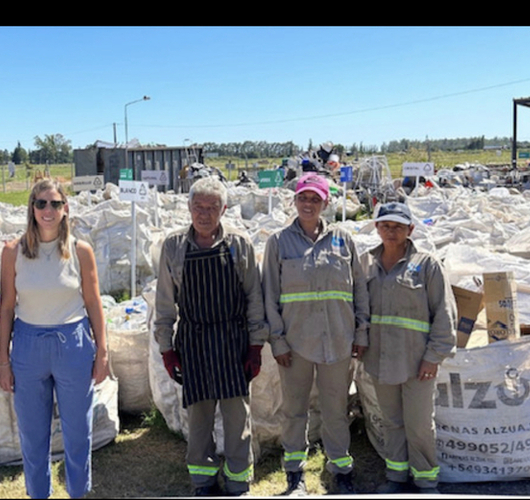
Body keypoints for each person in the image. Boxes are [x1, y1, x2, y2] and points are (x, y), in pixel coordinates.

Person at [154, 176, 268, 497]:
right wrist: (167, 349)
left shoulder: (239, 245)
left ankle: (237, 482)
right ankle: (204, 482)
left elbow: (254, 298)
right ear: (188, 207)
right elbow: (164, 304)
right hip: (194, 344)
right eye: (198, 207)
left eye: (212, 207)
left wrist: (256, 346)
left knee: (236, 421)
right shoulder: (174, 247)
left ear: (224, 209)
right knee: (199, 421)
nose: (204, 214)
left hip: (233, 343)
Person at [0, 179, 109, 499]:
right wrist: (3, 361)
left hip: (72, 344)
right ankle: (38, 494)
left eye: (55, 204)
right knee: (33, 437)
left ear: (65, 209)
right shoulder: (12, 252)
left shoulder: (79, 250)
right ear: (31, 208)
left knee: (77, 434)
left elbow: (93, 302)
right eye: (41, 203)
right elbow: (6, 308)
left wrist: (102, 351)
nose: (48, 210)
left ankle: (78, 492)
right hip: (28, 346)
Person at [261, 173, 369, 496]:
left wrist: (361, 331)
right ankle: (295, 473)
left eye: (315, 199)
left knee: (336, 409)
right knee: (294, 410)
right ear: (295, 201)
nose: (308, 204)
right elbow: (270, 296)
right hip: (295, 345)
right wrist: (277, 340)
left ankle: (341, 470)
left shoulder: (342, 240)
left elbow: (359, 289)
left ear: (325, 203)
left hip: (337, 342)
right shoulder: (279, 242)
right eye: (303, 198)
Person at [360, 202, 457, 494]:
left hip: (417, 363)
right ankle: (396, 477)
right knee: (391, 422)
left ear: (410, 230)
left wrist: (433, 357)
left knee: (418, 425)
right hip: (380, 359)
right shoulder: (365, 263)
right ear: (377, 228)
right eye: (386, 225)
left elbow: (444, 314)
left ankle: (426, 481)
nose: (391, 231)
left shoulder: (427, 265)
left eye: (398, 227)